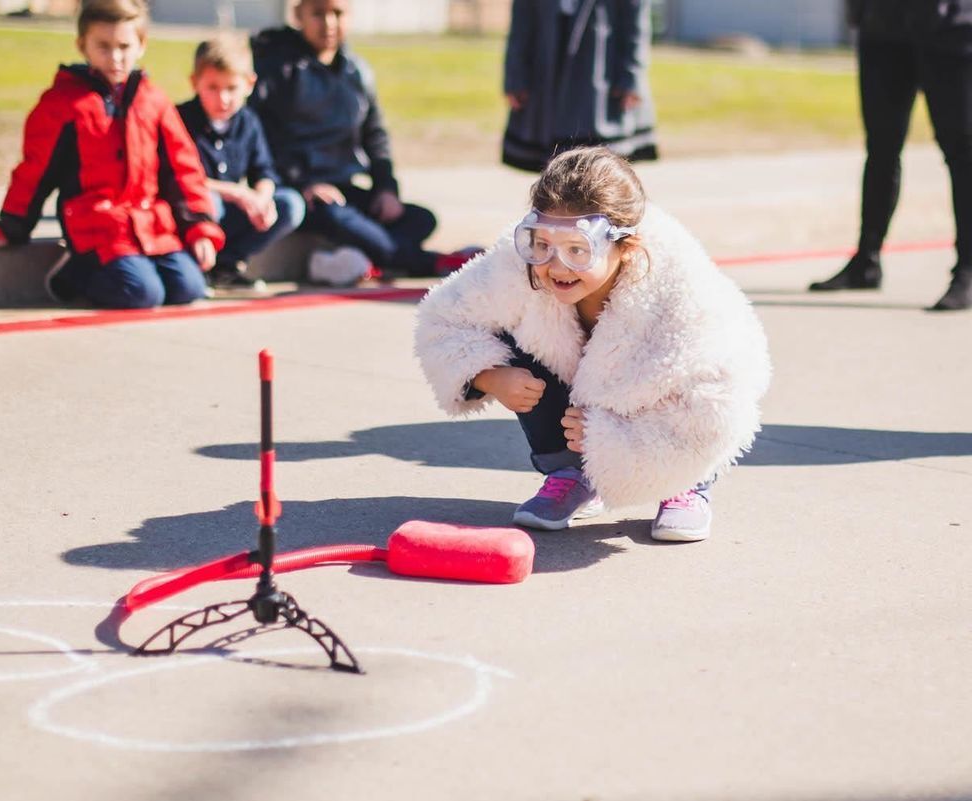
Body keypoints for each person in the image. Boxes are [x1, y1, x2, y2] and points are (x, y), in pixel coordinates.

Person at [414, 147, 770, 542]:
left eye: (578, 249)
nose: (557, 266)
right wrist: (488, 376)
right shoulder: (517, 264)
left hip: (680, 426)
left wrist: (612, 440)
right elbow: (441, 319)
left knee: (686, 384)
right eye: (542, 244)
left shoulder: (688, 297)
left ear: (626, 246)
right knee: (509, 325)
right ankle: (571, 472)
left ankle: (686, 486)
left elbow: (716, 411)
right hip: (581, 418)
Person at [0, 0, 223, 309]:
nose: (115, 57)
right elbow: (35, 171)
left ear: (141, 45)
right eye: (103, 46)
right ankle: (74, 273)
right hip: (96, 228)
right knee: (142, 294)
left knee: (188, 287)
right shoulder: (63, 104)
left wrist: (200, 228)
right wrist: (11, 228)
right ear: (83, 45)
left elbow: (183, 168)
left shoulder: (154, 101)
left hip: (151, 224)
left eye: (124, 46)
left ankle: (135, 270)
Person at [249, 0, 465, 285]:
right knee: (340, 219)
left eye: (337, 14)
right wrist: (302, 184)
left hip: (347, 191)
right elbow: (258, 139)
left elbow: (375, 136)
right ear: (298, 15)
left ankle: (361, 259)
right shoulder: (276, 69)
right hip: (305, 196)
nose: (328, 23)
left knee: (421, 219)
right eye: (318, 14)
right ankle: (431, 261)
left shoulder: (357, 71)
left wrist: (386, 188)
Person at [808, 0, 972, 311]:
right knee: (881, 148)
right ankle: (866, 263)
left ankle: (968, 270)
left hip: (949, 26)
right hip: (882, 27)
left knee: (962, 152)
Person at [177, 33, 306, 292]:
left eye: (231, 88)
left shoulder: (248, 122)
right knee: (210, 203)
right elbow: (180, 176)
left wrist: (261, 197)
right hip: (196, 214)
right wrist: (235, 192)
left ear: (249, 84)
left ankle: (228, 264)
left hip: (234, 215)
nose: (223, 98)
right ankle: (200, 268)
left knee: (290, 204)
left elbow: (264, 171)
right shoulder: (181, 120)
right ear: (195, 83)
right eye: (212, 87)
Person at [502, 0, 658, 173]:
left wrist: (631, 77)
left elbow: (635, 24)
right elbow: (521, 23)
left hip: (600, 67)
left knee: (599, 165)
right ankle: (557, 196)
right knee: (555, 162)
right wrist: (515, 78)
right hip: (548, 65)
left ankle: (596, 197)